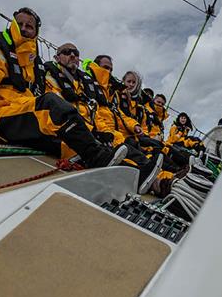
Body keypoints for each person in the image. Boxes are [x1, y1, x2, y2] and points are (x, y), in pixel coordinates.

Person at [0, 8, 126, 168]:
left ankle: (92, 159)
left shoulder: (31, 61)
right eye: (20, 24)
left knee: (62, 133)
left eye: (29, 26)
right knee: (53, 104)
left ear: (36, 31)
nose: (24, 29)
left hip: (20, 112)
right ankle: (96, 157)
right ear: (13, 25)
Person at [44, 45, 162, 193]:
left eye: (75, 53)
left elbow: (95, 111)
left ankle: (160, 180)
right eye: (67, 53)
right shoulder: (53, 75)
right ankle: (147, 179)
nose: (72, 56)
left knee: (133, 149)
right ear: (57, 57)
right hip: (67, 131)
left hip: (94, 130)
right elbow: (59, 109)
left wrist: (103, 131)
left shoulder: (84, 83)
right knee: (111, 152)